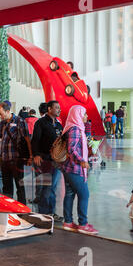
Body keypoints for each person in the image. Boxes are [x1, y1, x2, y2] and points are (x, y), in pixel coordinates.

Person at [61, 105, 98, 235]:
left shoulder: (73, 127)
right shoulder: (75, 129)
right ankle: (83, 224)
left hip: (68, 167)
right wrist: (82, 160)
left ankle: (68, 222)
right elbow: (71, 149)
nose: (86, 117)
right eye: (84, 114)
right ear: (78, 115)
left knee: (70, 194)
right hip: (74, 168)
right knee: (84, 194)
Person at [31, 100, 63, 220]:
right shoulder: (41, 123)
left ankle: (51, 213)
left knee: (52, 188)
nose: (59, 109)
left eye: (59, 108)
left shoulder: (59, 125)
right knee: (46, 187)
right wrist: (36, 155)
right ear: (49, 109)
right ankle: (44, 214)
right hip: (44, 160)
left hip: (56, 161)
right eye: (56, 107)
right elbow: (35, 140)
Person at [0, 101, 33, 204]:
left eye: (1, 113)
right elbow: (1, 137)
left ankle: (22, 209)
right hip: (4, 159)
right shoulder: (2, 123)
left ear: (8, 111)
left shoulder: (19, 121)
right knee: (6, 187)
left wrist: (30, 156)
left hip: (16, 159)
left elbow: (27, 139)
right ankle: (8, 207)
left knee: (19, 185)